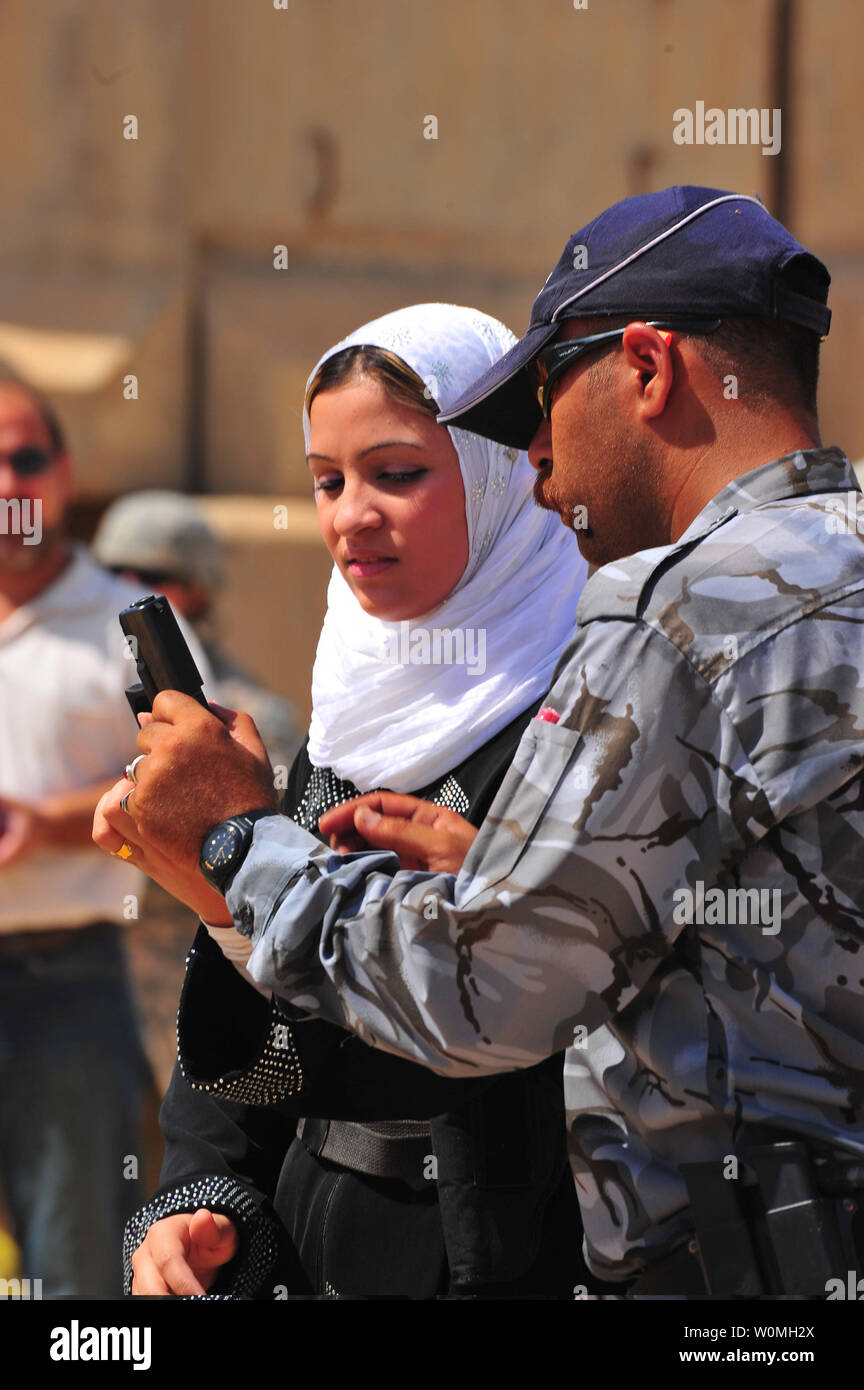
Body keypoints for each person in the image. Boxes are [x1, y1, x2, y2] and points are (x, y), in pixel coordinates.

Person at [95, 185, 864, 1297]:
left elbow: (486, 995)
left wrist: (234, 847)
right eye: (326, 481)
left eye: (548, 399)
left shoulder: (674, 617)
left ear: (647, 369)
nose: (544, 455)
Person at [115, 303, 592, 1298]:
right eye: (327, 481)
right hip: (323, 1248)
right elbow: (280, 1052)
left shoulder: (594, 708)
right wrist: (201, 1208)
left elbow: (507, 1028)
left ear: (498, 473)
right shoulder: (346, 718)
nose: (350, 515)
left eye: (398, 473)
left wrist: (246, 855)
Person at [0, 374, 155, 1298]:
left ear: (62, 471)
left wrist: (44, 822)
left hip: (70, 979)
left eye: (23, 458)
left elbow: (198, 785)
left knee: (78, 1276)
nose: (6, 482)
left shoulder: (130, 621)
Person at [91, 490, 302, 773]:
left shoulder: (249, 714)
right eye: (114, 574)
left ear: (197, 591)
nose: (128, 590)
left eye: (151, 577)